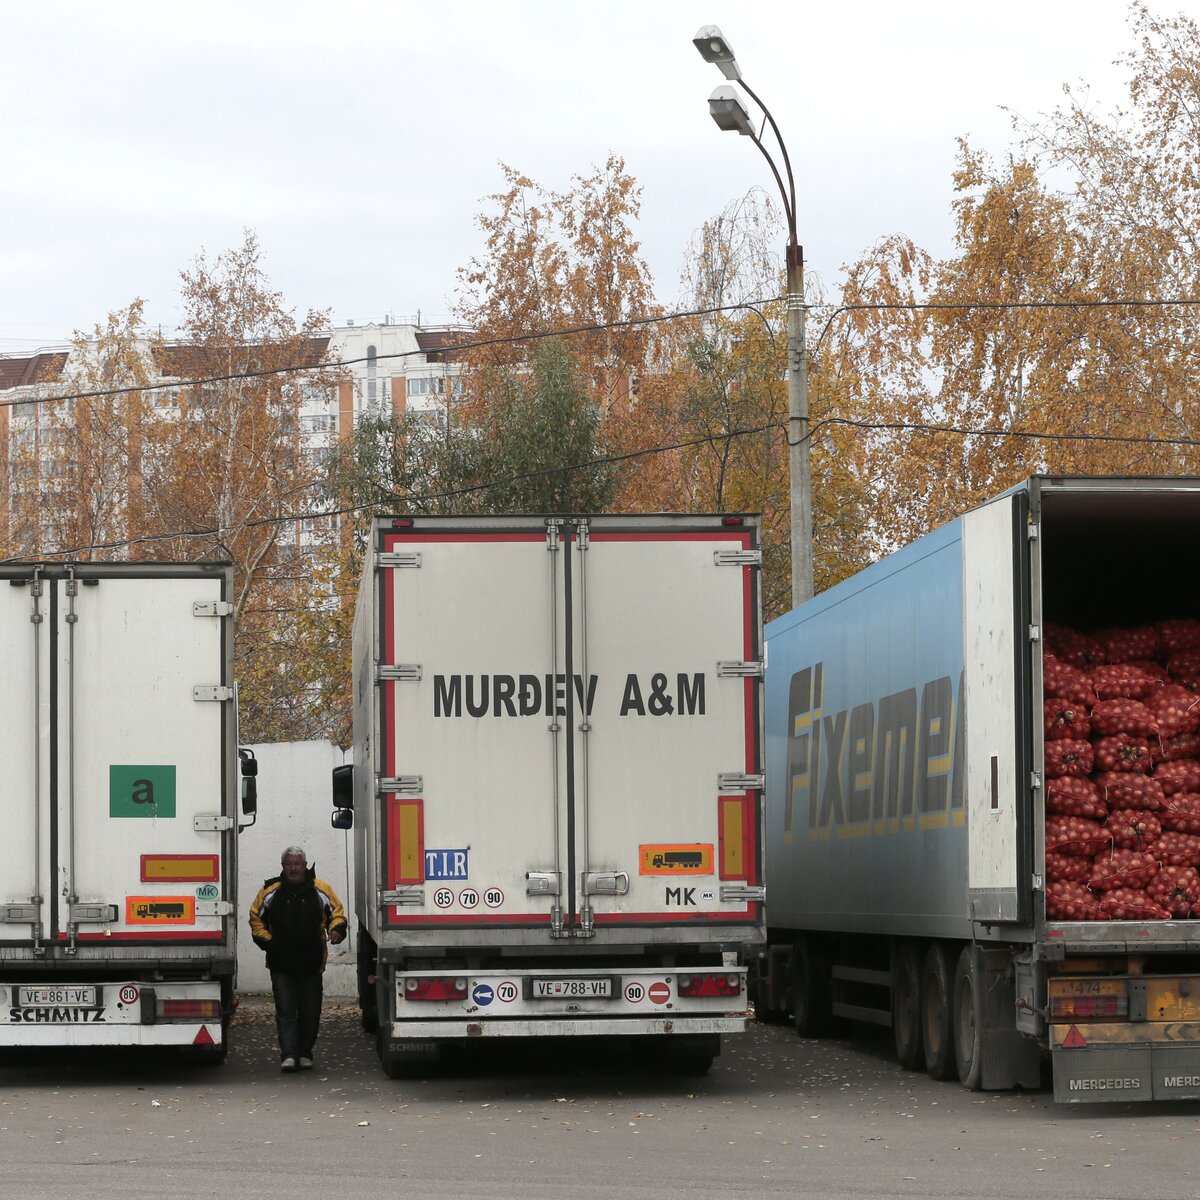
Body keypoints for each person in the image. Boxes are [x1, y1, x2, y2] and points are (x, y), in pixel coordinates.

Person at [249, 846, 347, 1072]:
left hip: (312, 963)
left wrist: (337, 929)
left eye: (298, 864)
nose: (293, 868)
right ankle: (289, 1055)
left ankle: (305, 1053)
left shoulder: (321, 889)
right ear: (282, 866)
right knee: (286, 1010)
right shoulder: (269, 891)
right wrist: (269, 943)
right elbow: (255, 919)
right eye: (289, 864)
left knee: (310, 1010)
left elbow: (337, 913)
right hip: (280, 964)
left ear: (305, 865)